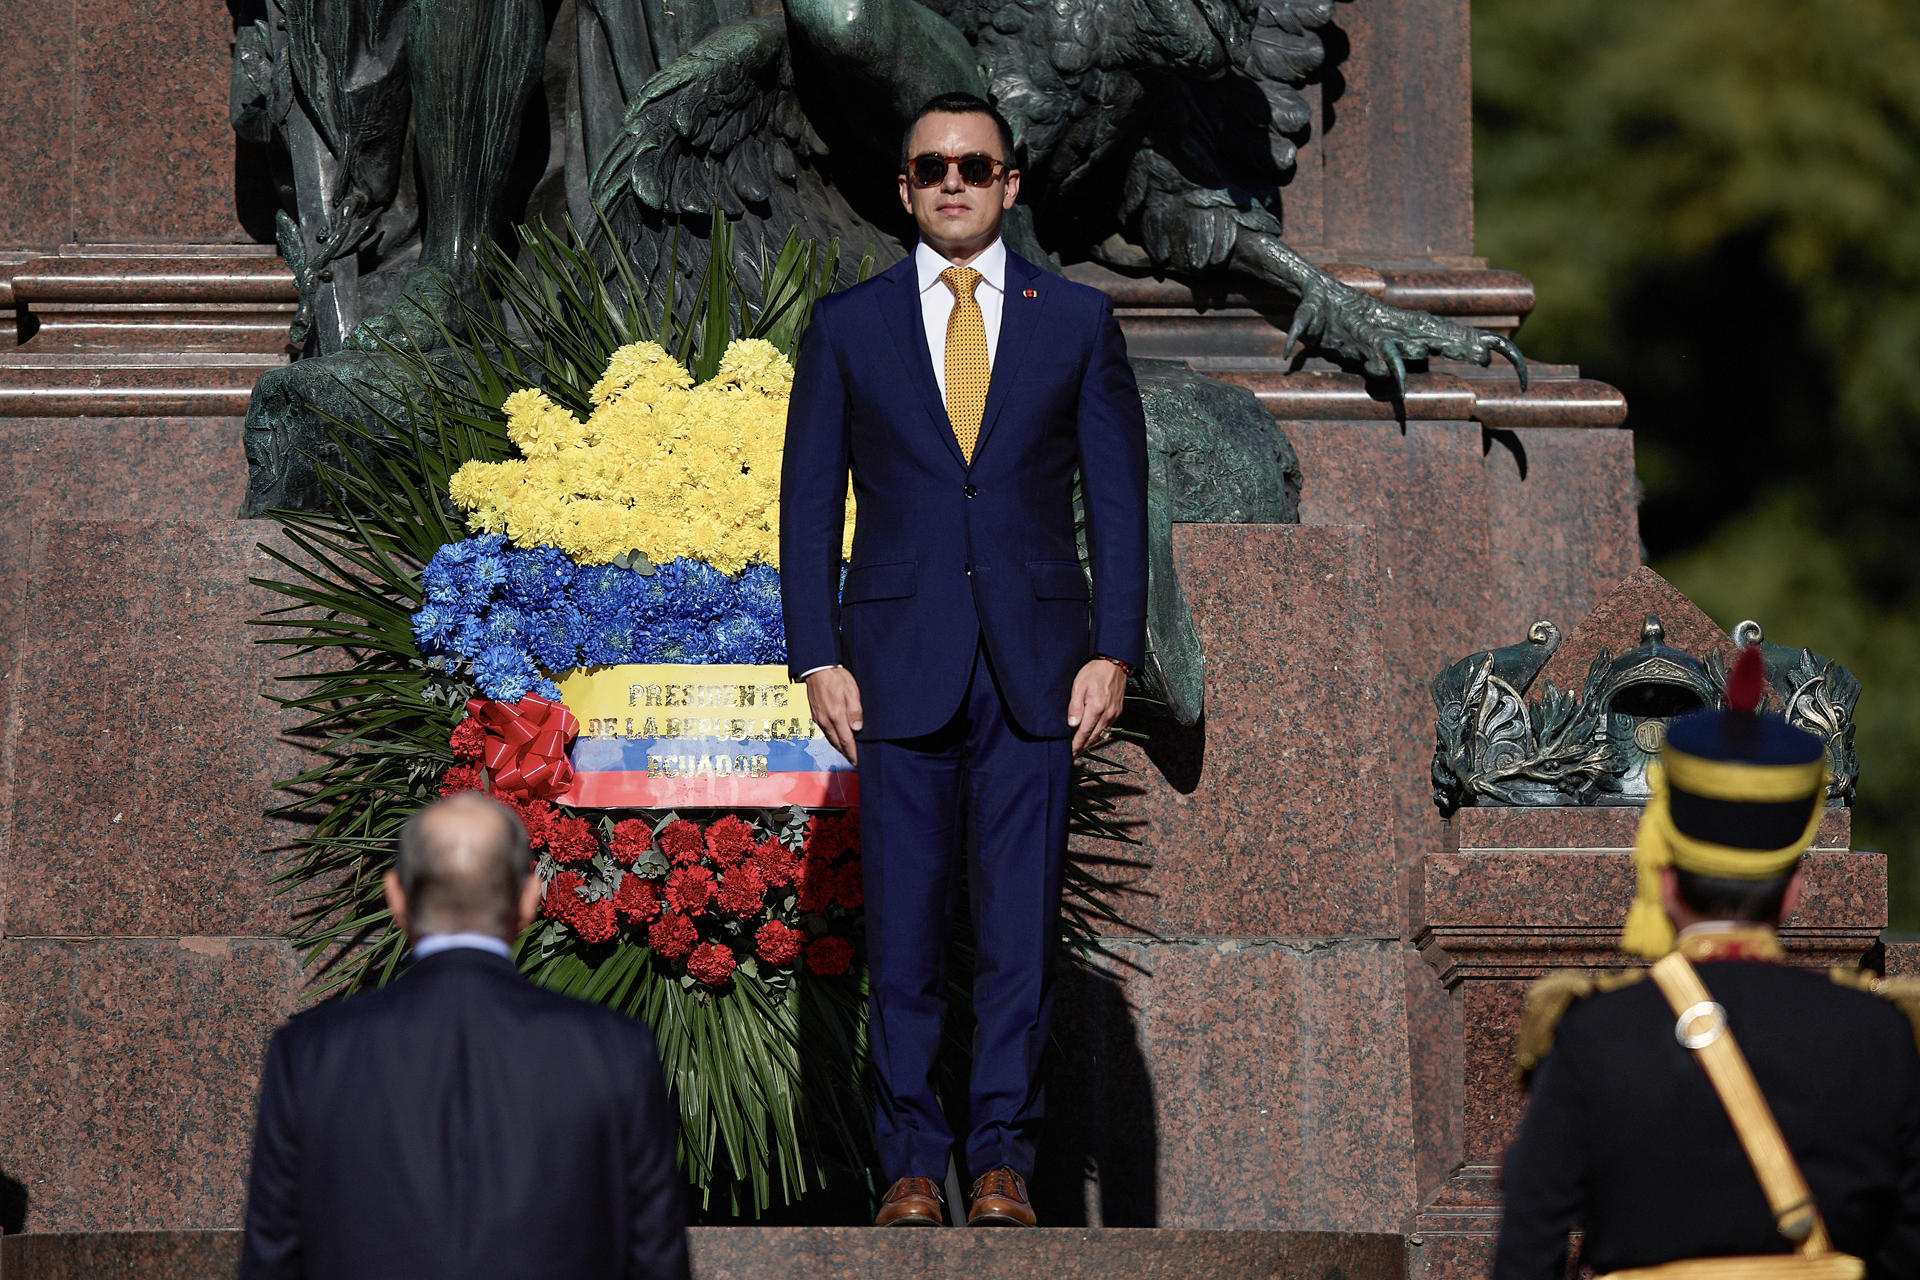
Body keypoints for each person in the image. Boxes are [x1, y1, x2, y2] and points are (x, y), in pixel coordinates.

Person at [778, 91, 1148, 1227]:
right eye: (932, 166)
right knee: (901, 924)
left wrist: (1114, 651)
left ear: (1009, 184)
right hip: (893, 665)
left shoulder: (1076, 321)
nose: (952, 182)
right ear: (903, 187)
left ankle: (1000, 1159)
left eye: (974, 167)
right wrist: (817, 656)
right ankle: (906, 1160)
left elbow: (1121, 500)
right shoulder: (847, 325)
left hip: (1039, 668)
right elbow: (805, 504)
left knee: (1019, 930)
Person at [1494, 654, 1920, 1279]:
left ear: (1664, 883)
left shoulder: (1593, 1035)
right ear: (1797, 885)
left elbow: (1529, 1250)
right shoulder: (1880, 1036)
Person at [238, 792, 691, 1280]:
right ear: (529, 898)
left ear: (396, 897)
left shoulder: (310, 1054)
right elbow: (656, 1261)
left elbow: (272, 1259)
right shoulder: (616, 1051)